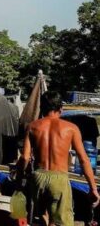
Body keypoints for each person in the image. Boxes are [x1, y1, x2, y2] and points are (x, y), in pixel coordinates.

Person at [19, 91, 100, 225]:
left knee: (42, 216)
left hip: (38, 177)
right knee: (61, 221)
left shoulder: (32, 126)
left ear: (42, 108)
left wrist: (19, 181)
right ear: (61, 108)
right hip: (59, 179)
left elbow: (25, 157)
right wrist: (93, 188)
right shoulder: (71, 128)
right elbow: (84, 159)